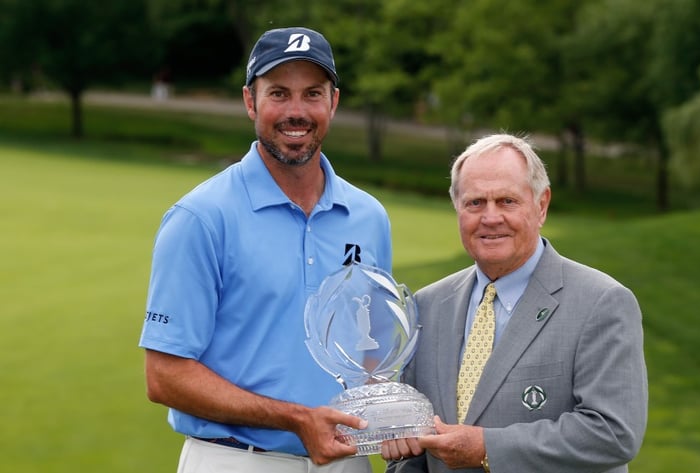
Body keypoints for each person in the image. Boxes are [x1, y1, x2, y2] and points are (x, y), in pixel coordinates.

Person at [139, 26, 392, 473]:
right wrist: (297, 420)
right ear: (250, 101)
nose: (297, 111)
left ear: (333, 102)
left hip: (345, 461)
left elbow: (376, 355)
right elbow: (165, 376)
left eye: (312, 93)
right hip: (234, 459)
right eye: (278, 93)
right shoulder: (200, 217)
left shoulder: (368, 217)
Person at [382, 134, 647, 472]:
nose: (490, 217)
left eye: (507, 201)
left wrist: (487, 449)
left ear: (541, 205)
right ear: (457, 208)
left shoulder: (601, 303)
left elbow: (613, 432)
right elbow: (414, 453)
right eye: (475, 203)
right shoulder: (429, 305)